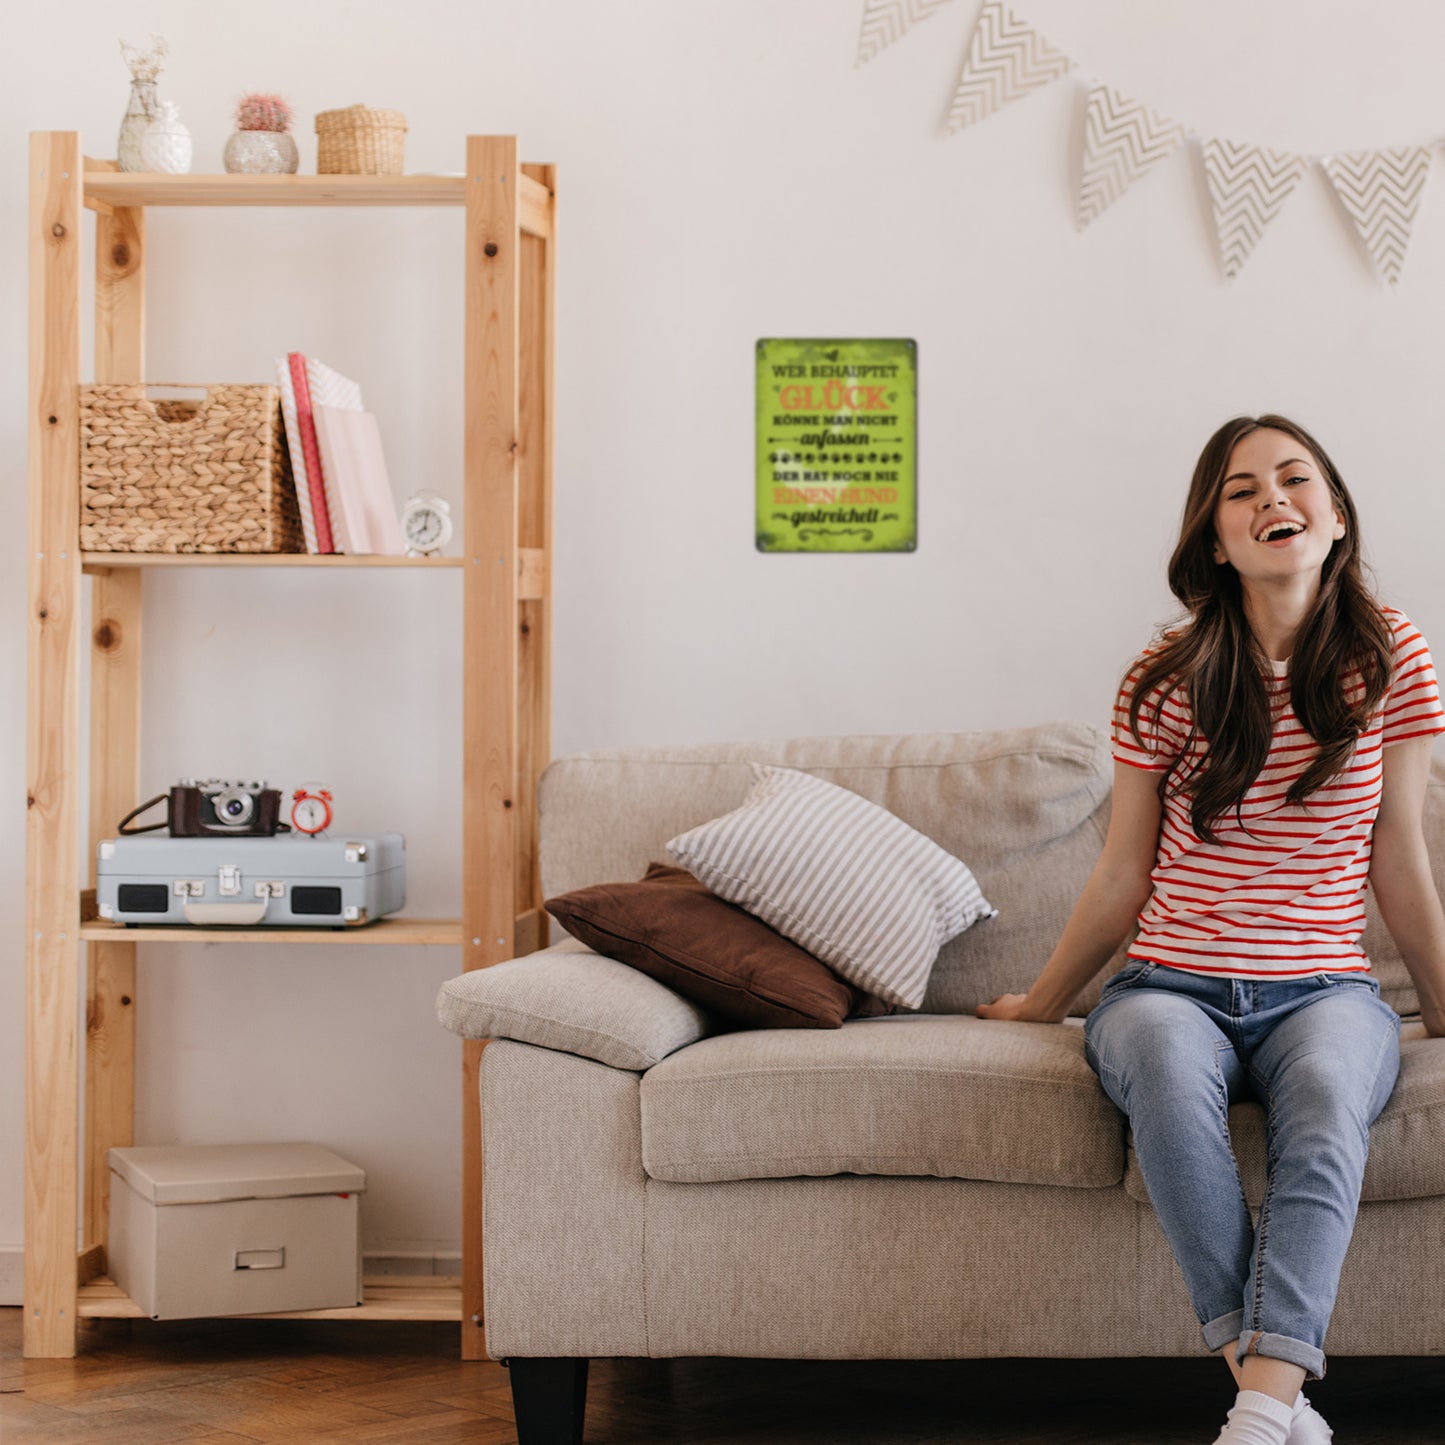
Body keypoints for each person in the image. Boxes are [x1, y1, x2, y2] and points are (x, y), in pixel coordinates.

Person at [976, 414, 1445, 1445]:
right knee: (1157, 1069)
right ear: (1213, 538)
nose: (1270, 497)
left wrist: (1444, 1008)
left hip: (1323, 990)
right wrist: (1043, 1003)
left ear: (1332, 519)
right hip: (1165, 984)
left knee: (1326, 1096)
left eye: (1293, 478)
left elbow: (1396, 852)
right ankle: (1273, 1397)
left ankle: (1257, 1408)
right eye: (1240, 489)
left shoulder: (1391, 654)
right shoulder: (1164, 671)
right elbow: (1122, 870)